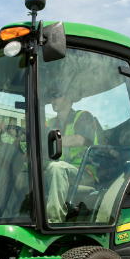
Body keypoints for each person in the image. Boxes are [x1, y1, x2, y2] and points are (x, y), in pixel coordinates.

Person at [44, 86, 98, 223]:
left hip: (83, 173)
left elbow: (78, 139)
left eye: (56, 95)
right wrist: (11, 129)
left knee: (57, 167)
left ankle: (53, 221)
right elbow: (35, 139)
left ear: (69, 97)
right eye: (50, 96)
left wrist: (49, 142)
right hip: (61, 173)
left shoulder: (83, 116)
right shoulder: (51, 123)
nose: (52, 99)